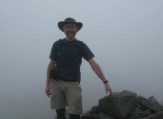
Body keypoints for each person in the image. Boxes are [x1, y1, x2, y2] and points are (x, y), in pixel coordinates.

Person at [45, 17, 113, 119]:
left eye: (73, 27)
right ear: (63, 30)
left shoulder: (80, 46)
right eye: (67, 27)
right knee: (60, 113)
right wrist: (47, 85)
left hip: (73, 83)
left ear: (76, 29)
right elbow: (51, 65)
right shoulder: (57, 44)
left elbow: (93, 64)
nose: (70, 29)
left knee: (75, 114)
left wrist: (105, 82)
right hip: (56, 83)